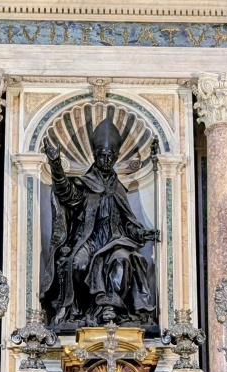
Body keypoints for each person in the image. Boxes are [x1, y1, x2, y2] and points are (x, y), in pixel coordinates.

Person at [40, 108, 159, 329]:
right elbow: (66, 193)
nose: (106, 159)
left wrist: (142, 233)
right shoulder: (85, 184)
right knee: (76, 264)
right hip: (89, 241)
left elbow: (128, 222)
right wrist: (55, 165)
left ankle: (109, 310)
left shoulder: (118, 189)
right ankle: (78, 313)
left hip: (115, 242)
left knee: (122, 259)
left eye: (110, 156)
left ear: (115, 157)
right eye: (102, 155)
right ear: (95, 155)